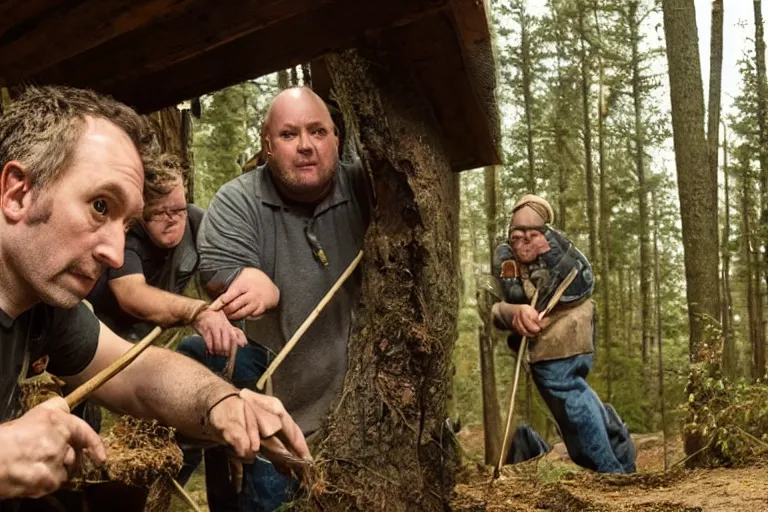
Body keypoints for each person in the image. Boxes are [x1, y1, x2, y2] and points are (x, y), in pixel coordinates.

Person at [0, 86, 310, 504]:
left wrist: (223, 402)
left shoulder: (45, 306)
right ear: (17, 193)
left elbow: (134, 371)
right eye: (99, 206)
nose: (114, 254)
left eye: (126, 226)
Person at [187, 86, 372, 510]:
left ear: (336, 141)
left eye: (318, 132)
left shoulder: (369, 188)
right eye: (289, 135)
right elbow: (219, 270)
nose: (306, 145)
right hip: (279, 420)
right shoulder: (238, 201)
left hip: (361, 416)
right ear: (267, 145)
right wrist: (249, 280)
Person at [491, 194, 635, 474]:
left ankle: (610, 470)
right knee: (575, 391)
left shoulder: (561, 253)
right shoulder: (507, 256)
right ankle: (619, 453)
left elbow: (578, 283)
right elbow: (500, 303)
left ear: (543, 233)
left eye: (531, 235)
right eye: (516, 236)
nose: (523, 243)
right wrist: (512, 311)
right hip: (555, 338)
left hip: (564, 336)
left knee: (568, 391)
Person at [87, 151, 245, 354]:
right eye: (161, 212)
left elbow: (229, 267)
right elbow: (132, 294)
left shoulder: (197, 222)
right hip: (111, 335)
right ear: (142, 210)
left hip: (162, 329)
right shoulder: (126, 233)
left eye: (179, 210)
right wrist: (196, 311)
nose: (172, 219)